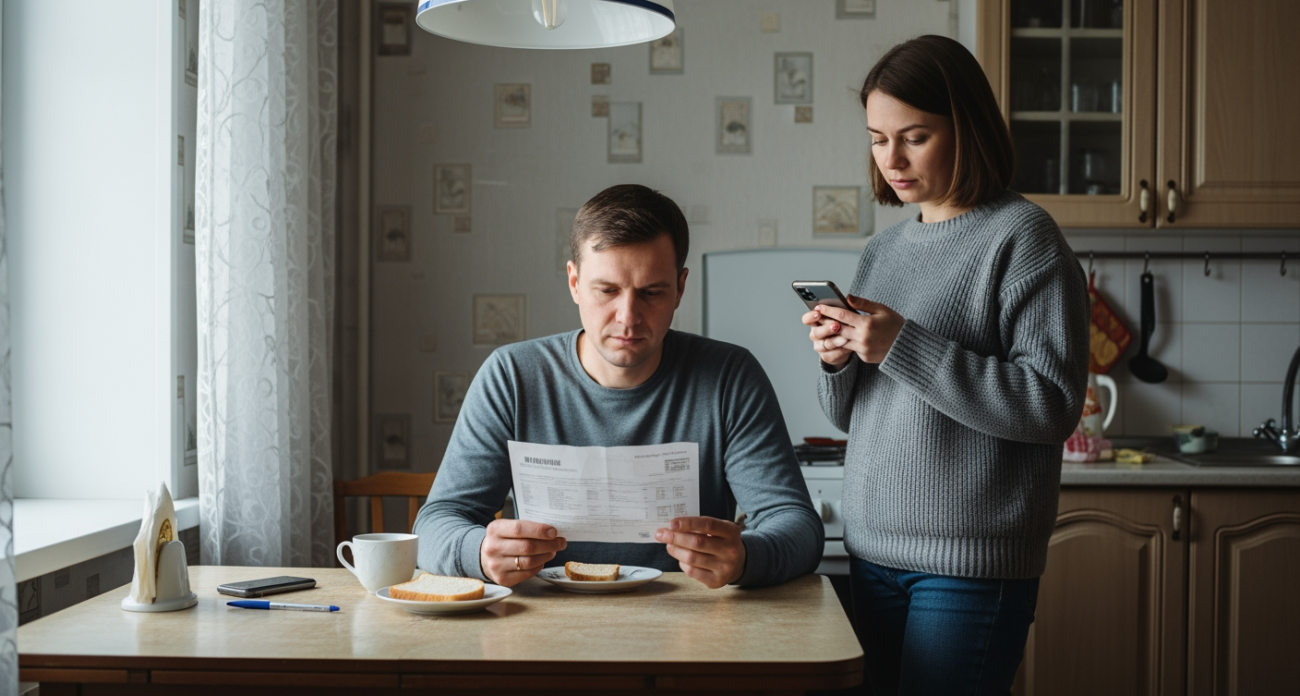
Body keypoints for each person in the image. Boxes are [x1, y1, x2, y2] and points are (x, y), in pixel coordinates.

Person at [801, 35, 1090, 694]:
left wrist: (901, 344)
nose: (892, 158)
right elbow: (850, 414)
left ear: (969, 129)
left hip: (969, 566)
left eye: (915, 136)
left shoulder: (1024, 239)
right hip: (871, 551)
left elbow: (1050, 407)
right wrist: (838, 361)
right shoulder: (884, 250)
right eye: (878, 138)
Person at [416, 184, 823, 589]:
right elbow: (436, 523)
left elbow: (798, 527)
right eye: (607, 290)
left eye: (651, 292)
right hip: (545, 624)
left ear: (680, 288)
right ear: (574, 282)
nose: (628, 317)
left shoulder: (729, 377)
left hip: (691, 631)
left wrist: (746, 557)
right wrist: (479, 553)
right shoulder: (512, 376)